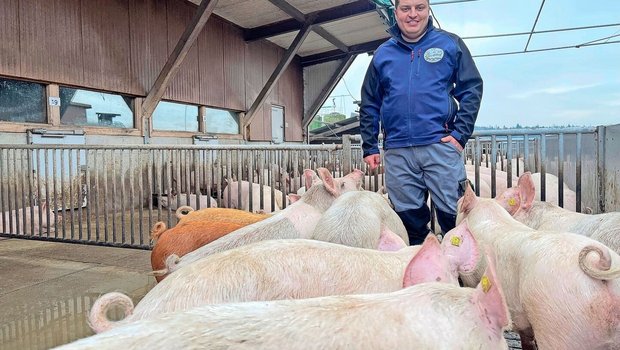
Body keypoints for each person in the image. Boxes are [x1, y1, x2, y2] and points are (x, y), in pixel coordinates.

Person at [359, 0, 483, 245]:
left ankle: (459, 278)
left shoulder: (450, 44)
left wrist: (460, 135)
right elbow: (370, 101)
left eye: (419, 7)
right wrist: (370, 145)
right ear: (396, 13)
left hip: (440, 145)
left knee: (455, 218)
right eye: (406, 9)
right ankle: (420, 271)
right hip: (398, 150)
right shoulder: (383, 53)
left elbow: (471, 88)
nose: (413, 14)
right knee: (408, 220)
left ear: (428, 10)